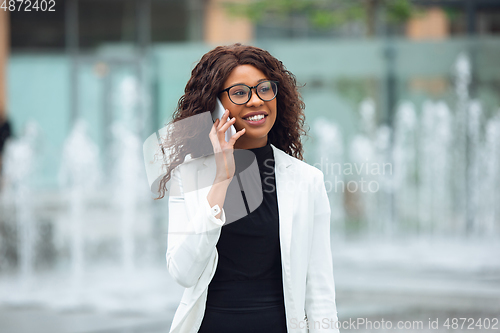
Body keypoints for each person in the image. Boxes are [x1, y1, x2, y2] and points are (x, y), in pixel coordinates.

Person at [156, 43, 340, 333]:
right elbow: (183, 273)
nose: (256, 101)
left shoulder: (307, 181)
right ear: (214, 105)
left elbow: (320, 291)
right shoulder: (189, 176)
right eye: (239, 93)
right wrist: (221, 178)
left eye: (264, 89)